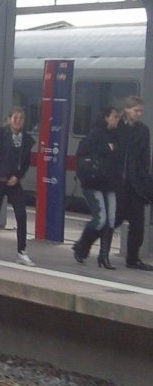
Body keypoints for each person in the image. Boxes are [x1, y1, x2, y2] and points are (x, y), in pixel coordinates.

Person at [0, 107, 36, 266]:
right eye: (15, 118)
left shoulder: (26, 140)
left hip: (13, 183)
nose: (17, 121)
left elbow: (26, 163)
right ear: (9, 119)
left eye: (21, 118)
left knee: (21, 216)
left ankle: (21, 252)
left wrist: (18, 176)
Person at [72, 107, 121, 268]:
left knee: (111, 220)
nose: (117, 120)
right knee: (100, 219)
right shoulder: (95, 133)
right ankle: (81, 246)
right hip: (93, 183)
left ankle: (104, 256)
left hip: (110, 183)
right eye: (114, 116)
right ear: (106, 117)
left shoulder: (116, 135)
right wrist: (107, 149)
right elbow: (86, 152)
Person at [113, 96, 153, 270]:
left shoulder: (143, 131)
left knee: (138, 224)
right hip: (118, 183)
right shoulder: (117, 127)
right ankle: (84, 246)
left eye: (141, 111)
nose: (139, 114)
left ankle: (132, 259)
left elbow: (145, 157)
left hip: (135, 184)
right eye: (136, 110)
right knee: (113, 220)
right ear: (127, 110)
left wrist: (144, 178)